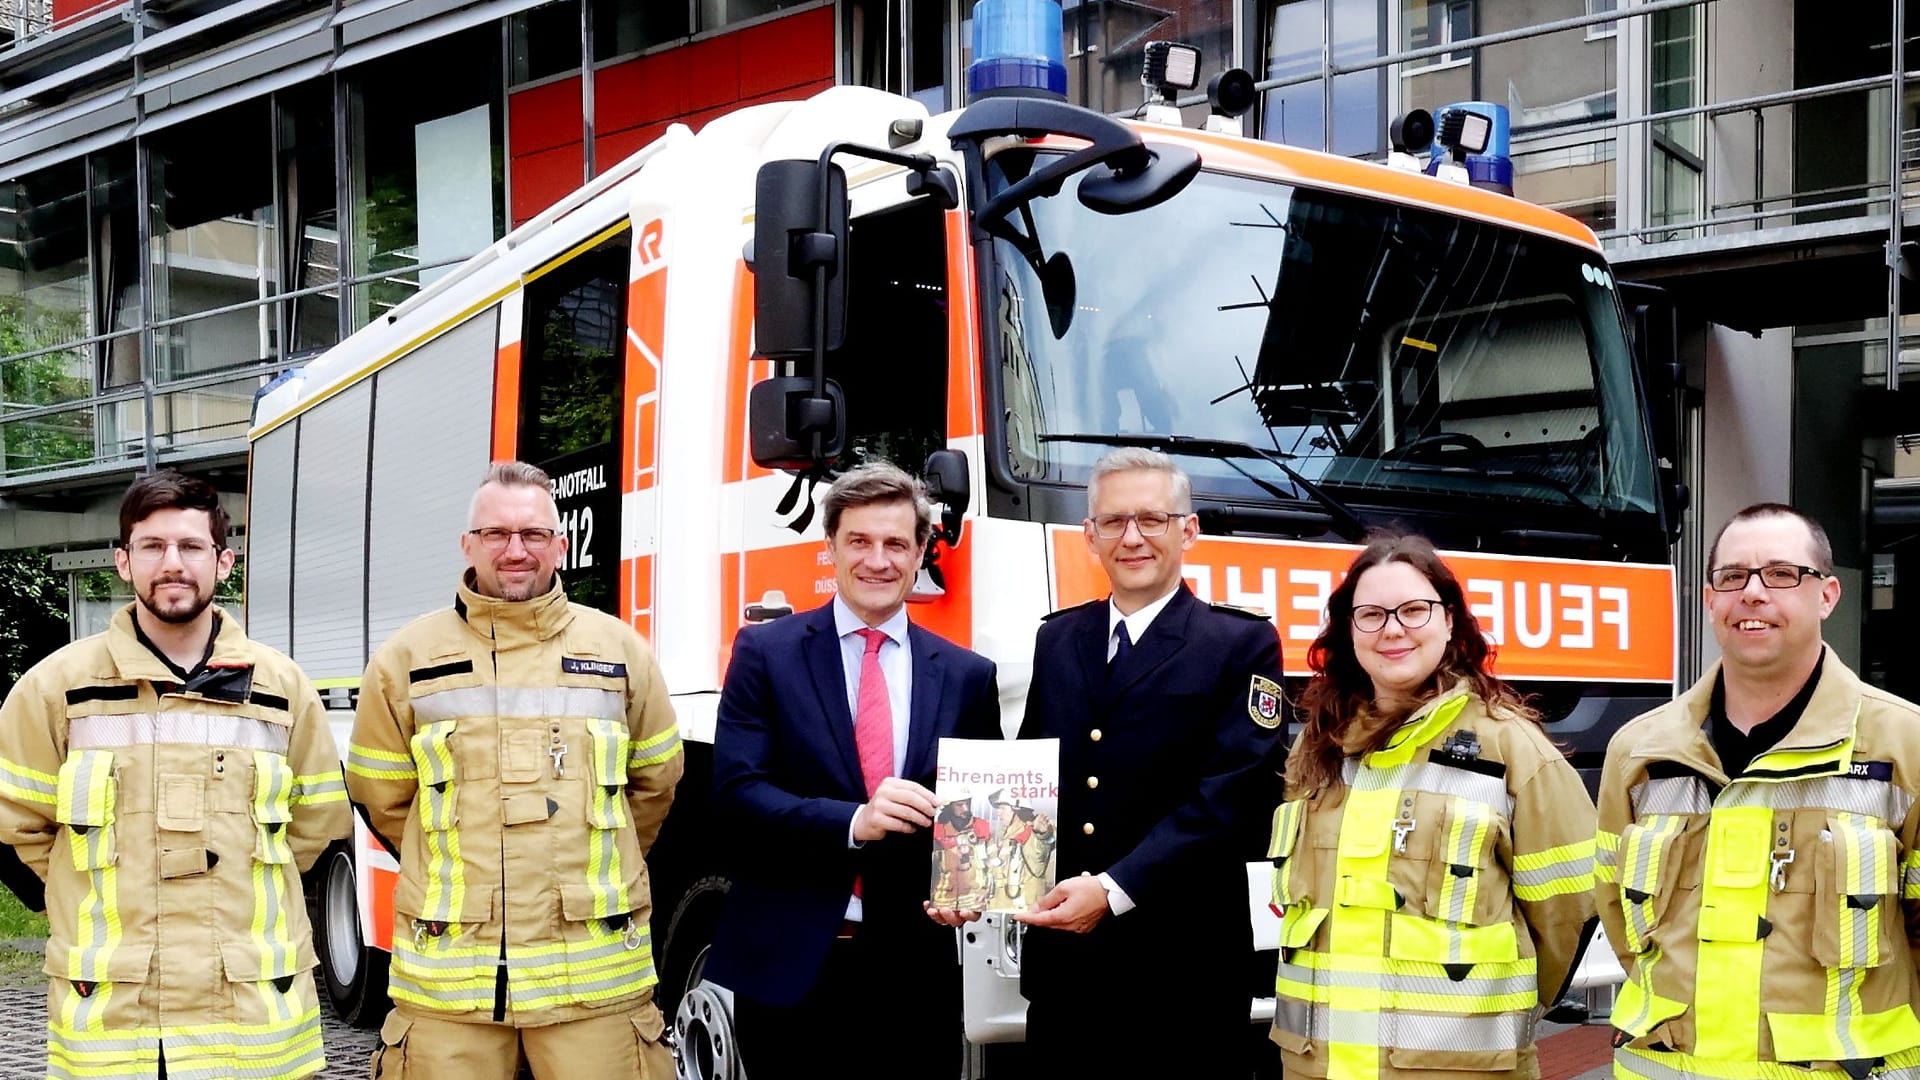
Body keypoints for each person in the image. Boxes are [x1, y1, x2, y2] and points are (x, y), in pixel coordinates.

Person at [0, 470, 350, 1079]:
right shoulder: (55, 688)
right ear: (122, 562)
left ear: (224, 562)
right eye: (153, 546)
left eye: (191, 547)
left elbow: (314, 828)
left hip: (251, 1015)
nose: (173, 563)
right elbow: (17, 828)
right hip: (116, 1015)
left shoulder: (282, 688)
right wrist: (80, 893)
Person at [346, 461, 682, 1079]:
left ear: (561, 544)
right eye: (496, 534)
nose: (515, 550)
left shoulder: (620, 652)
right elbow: (381, 796)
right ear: (467, 544)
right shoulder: (406, 659)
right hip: (453, 980)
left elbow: (654, 785)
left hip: (593, 977)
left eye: (533, 535)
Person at [1596, 503, 1920, 1079]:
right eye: (1733, 577)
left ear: (1826, 596)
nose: (1752, 593)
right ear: (1709, 600)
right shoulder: (1640, 751)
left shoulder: (1904, 744)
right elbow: (1622, 925)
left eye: (1780, 574)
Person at [705, 462, 1001, 1080]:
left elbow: (983, 809)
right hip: (791, 962)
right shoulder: (765, 653)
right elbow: (737, 795)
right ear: (831, 546)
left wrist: (971, 892)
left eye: (896, 543)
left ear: (922, 551)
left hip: (914, 970)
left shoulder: (969, 675)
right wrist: (854, 821)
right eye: (859, 541)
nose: (878, 560)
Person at [1270, 532, 1596, 1078]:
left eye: (1414, 610)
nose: (1393, 628)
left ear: (1450, 622)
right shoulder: (1316, 745)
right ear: (1349, 631)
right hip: (1316, 1069)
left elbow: (1571, 908)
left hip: (1457, 1069)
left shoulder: (1510, 747)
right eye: (1370, 614)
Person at [1014, 447, 1286, 1076]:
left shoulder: (1239, 642)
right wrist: (977, 875)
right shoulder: (1058, 638)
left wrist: (1111, 892)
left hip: (1182, 967)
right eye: (1113, 522)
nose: (1131, 538)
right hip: (1066, 969)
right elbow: (1030, 774)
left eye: (1152, 520)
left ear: (1187, 530)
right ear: (1090, 536)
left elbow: (1234, 795)